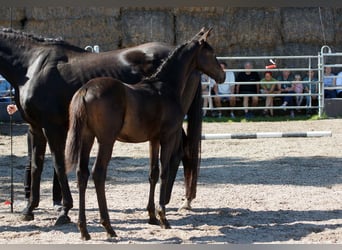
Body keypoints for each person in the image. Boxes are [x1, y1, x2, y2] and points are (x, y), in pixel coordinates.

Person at [7, 103, 63, 212]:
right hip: (36, 125)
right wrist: (17, 106)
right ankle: (29, 197)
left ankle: (57, 200)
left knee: (58, 162)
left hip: (56, 126)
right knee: (32, 161)